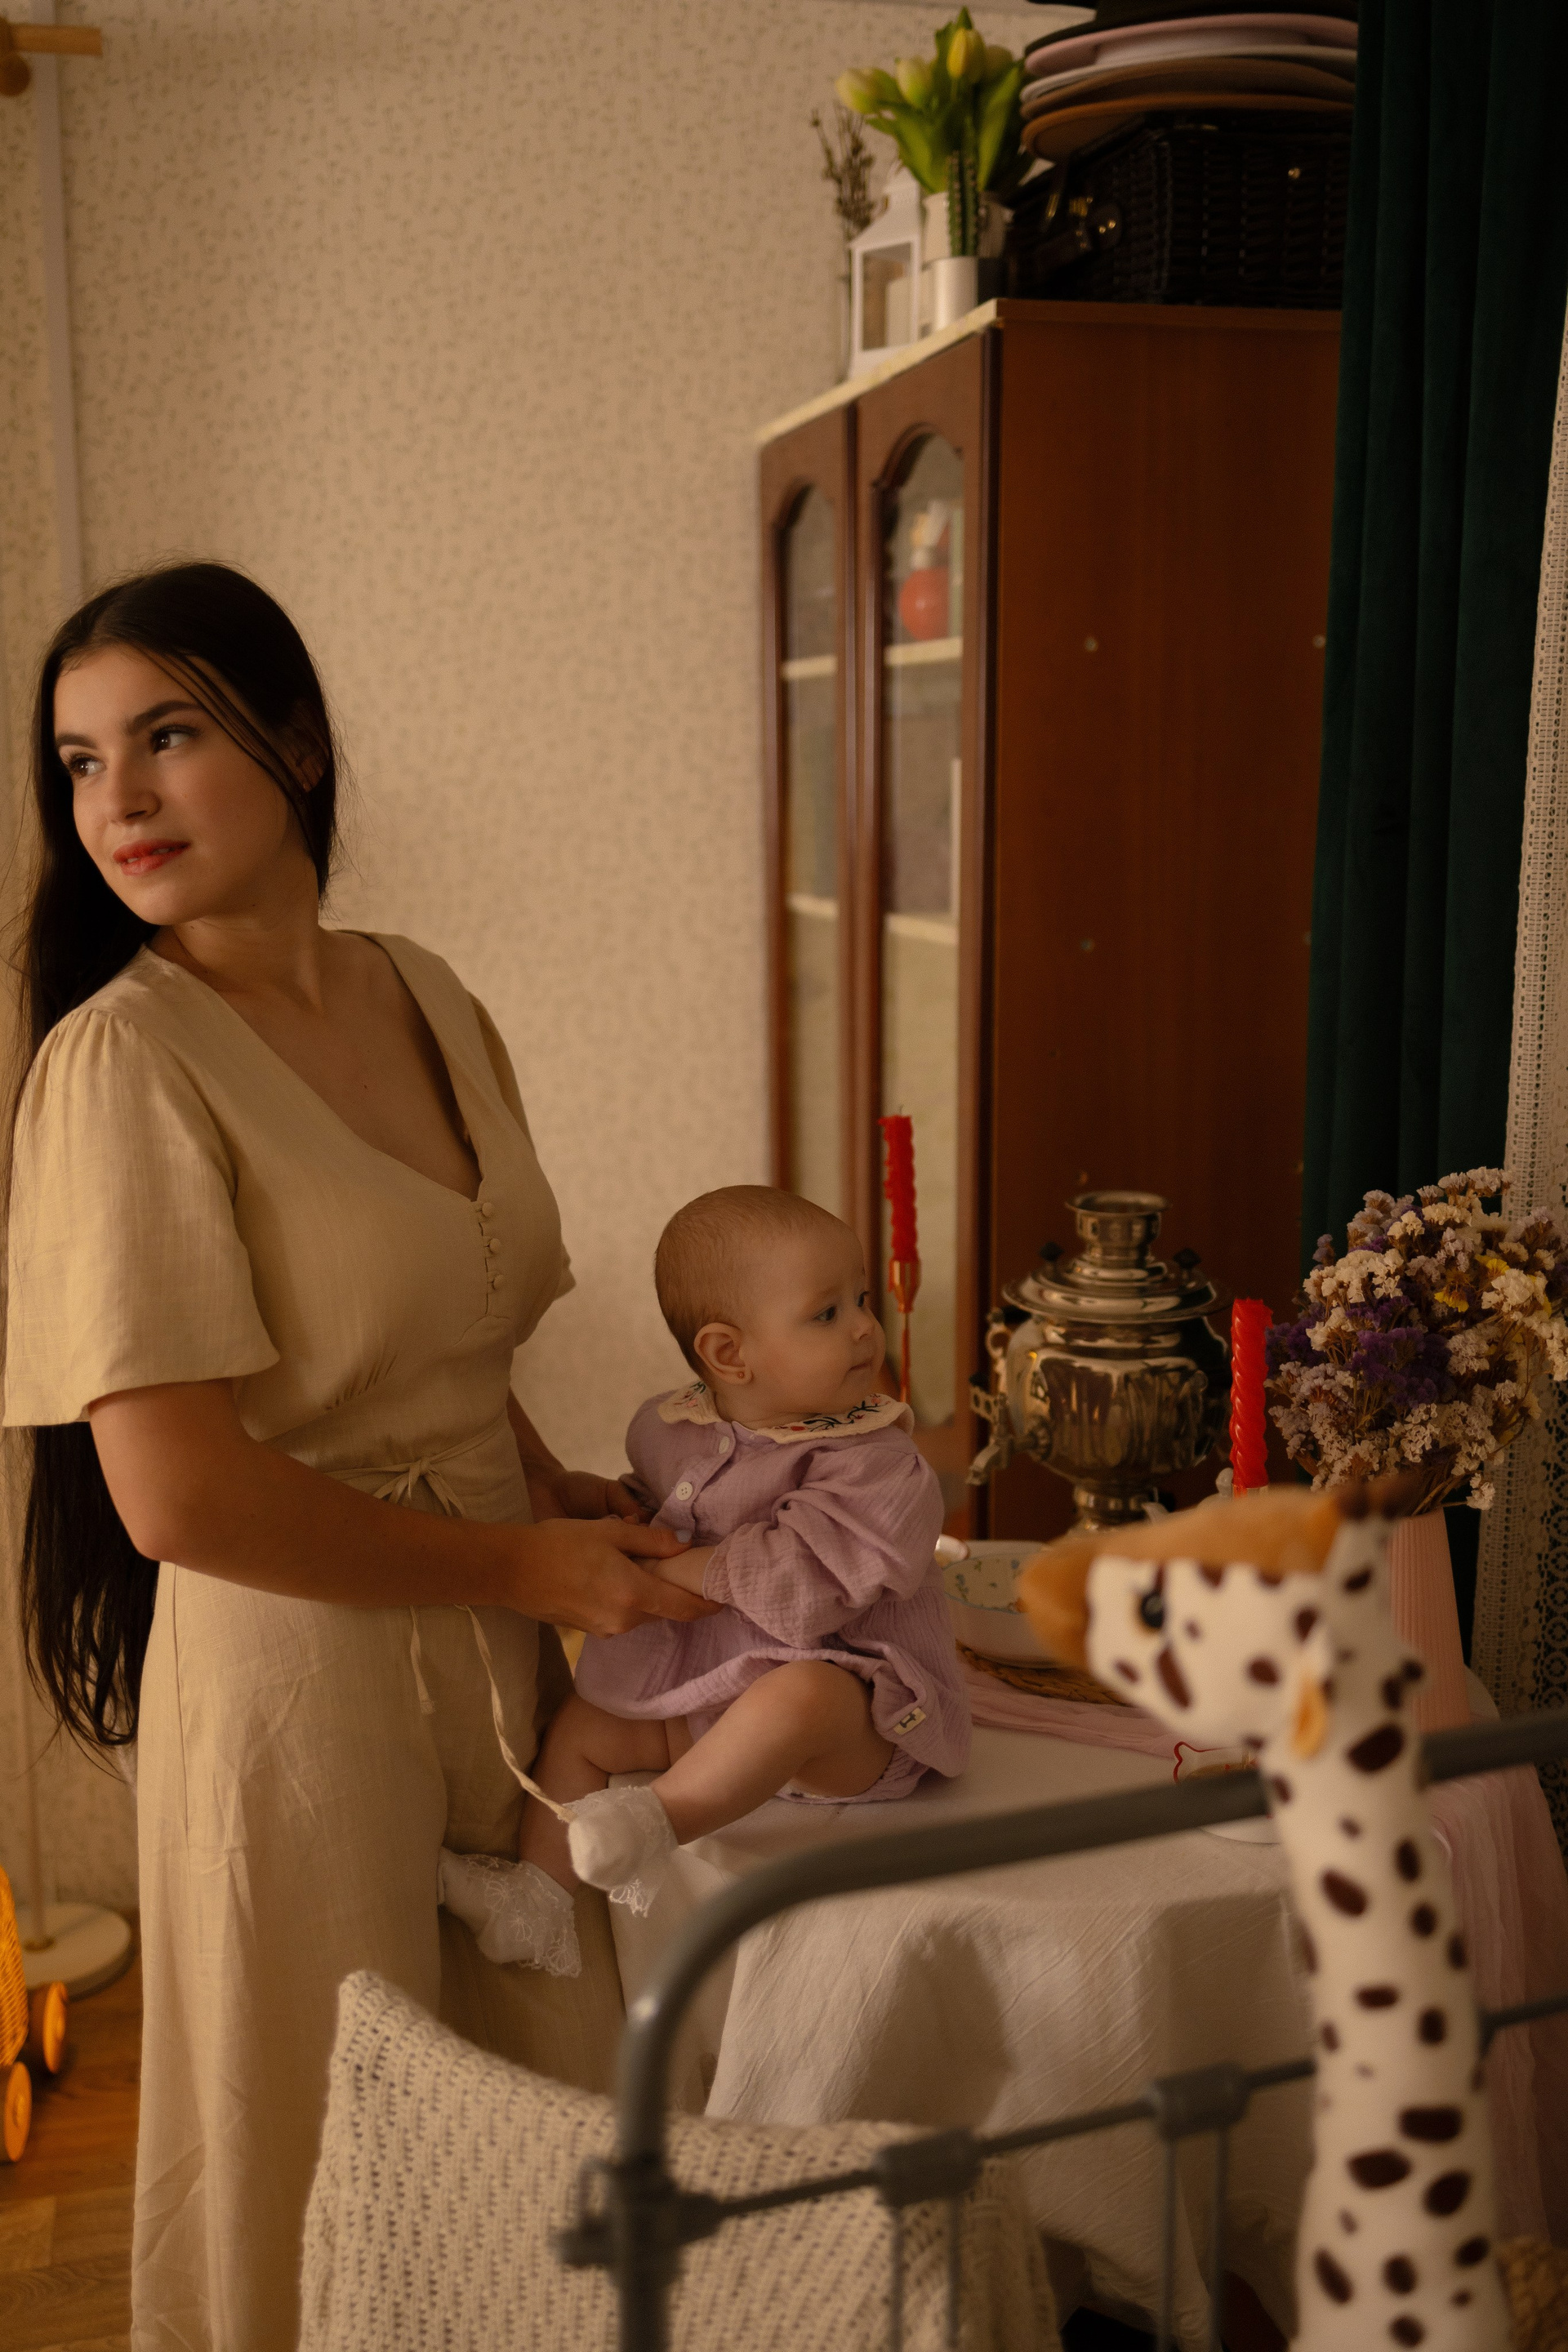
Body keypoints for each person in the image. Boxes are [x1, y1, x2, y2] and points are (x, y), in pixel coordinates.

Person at [3, 562, 717, 2352]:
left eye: (168, 736)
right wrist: (522, 1563)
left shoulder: (428, 992)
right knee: (330, 2163)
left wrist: (539, 1483)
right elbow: (176, 1497)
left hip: (502, 1635)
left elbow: (452, 1324)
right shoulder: (120, 1063)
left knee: (543, 2116)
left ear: (300, 747)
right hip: (298, 1688)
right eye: (81, 764)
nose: (120, 800)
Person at [439, 1186, 970, 1976]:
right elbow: (673, 1507)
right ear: (728, 1356)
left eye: (862, 1299)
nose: (865, 1326)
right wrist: (620, 1512)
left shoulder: (878, 1463)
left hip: (858, 1719)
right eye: (827, 1313)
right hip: (713, 1694)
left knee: (802, 1695)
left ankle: (657, 1819)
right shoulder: (673, 1426)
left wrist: (688, 1564)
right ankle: (537, 1904)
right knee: (583, 1727)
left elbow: (810, 1584)